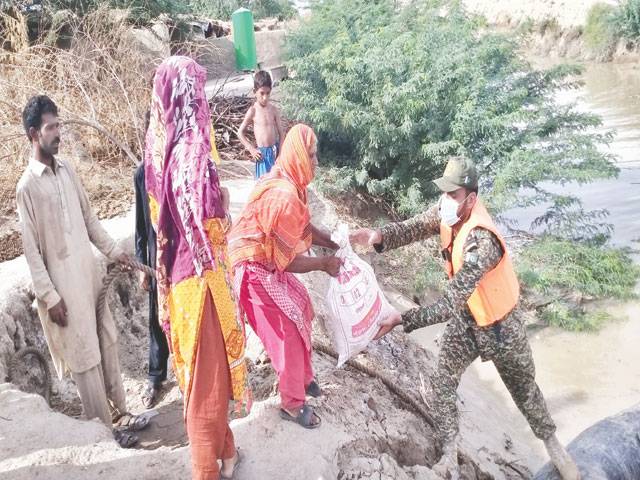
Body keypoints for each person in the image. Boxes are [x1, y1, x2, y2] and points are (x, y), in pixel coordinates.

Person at [350, 156, 581, 480]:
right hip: (470, 320)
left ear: (471, 198)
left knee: (524, 391)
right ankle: (450, 449)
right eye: (444, 193)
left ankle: (554, 446)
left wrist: (403, 318)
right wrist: (378, 236)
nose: (445, 200)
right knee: (444, 377)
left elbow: (448, 304)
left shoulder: (481, 241)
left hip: (503, 329)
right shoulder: (450, 210)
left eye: (452, 194)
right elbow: (415, 226)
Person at [16, 95, 147, 449]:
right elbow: (32, 254)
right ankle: (103, 433)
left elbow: (89, 220)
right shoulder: (26, 188)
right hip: (63, 289)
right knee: (85, 359)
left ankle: (121, 413)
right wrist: (51, 297)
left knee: (107, 340)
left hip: (88, 276)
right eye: (51, 128)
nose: (59, 133)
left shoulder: (68, 170)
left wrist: (114, 251)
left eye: (59, 125)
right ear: (33, 134)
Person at [145, 56, 251, 480]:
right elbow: (200, 222)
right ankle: (205, 471)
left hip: (179, 282)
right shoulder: (190, 149)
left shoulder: (162, 147)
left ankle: (227, 454)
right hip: (202, 281)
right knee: (207, 389)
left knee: (206, 377)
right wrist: (222, 209)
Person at [229, 123, 342, 429]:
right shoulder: (286, 196)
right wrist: (323, 265)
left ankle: (304, 379)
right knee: (286, 332)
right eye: (312, 155)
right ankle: (292, 403)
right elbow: (287, 260)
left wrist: (334, 241)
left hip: (264, 262)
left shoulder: (289, 180)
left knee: (302, 304)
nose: (315, 162)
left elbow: (302, 230)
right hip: (252, 269)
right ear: (299, 155)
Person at [134, 111, 170, 409]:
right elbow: (140, 227)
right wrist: (141, 267)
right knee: (156, 318)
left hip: (179, 261)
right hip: (155, 260)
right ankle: (155, 376)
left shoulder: (177, 167)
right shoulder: (142, 173)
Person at [237, 70, 285, 179]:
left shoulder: (273, 110)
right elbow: (240, 133)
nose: (265, 97)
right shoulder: (253, 111)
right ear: (255, 91)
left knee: (276, 183)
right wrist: (251, 149)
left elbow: (282, 133)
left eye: (268, 93)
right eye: (262, 93)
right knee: (263, 185)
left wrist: (281, 154)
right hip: (262, 155)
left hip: (275, 152)